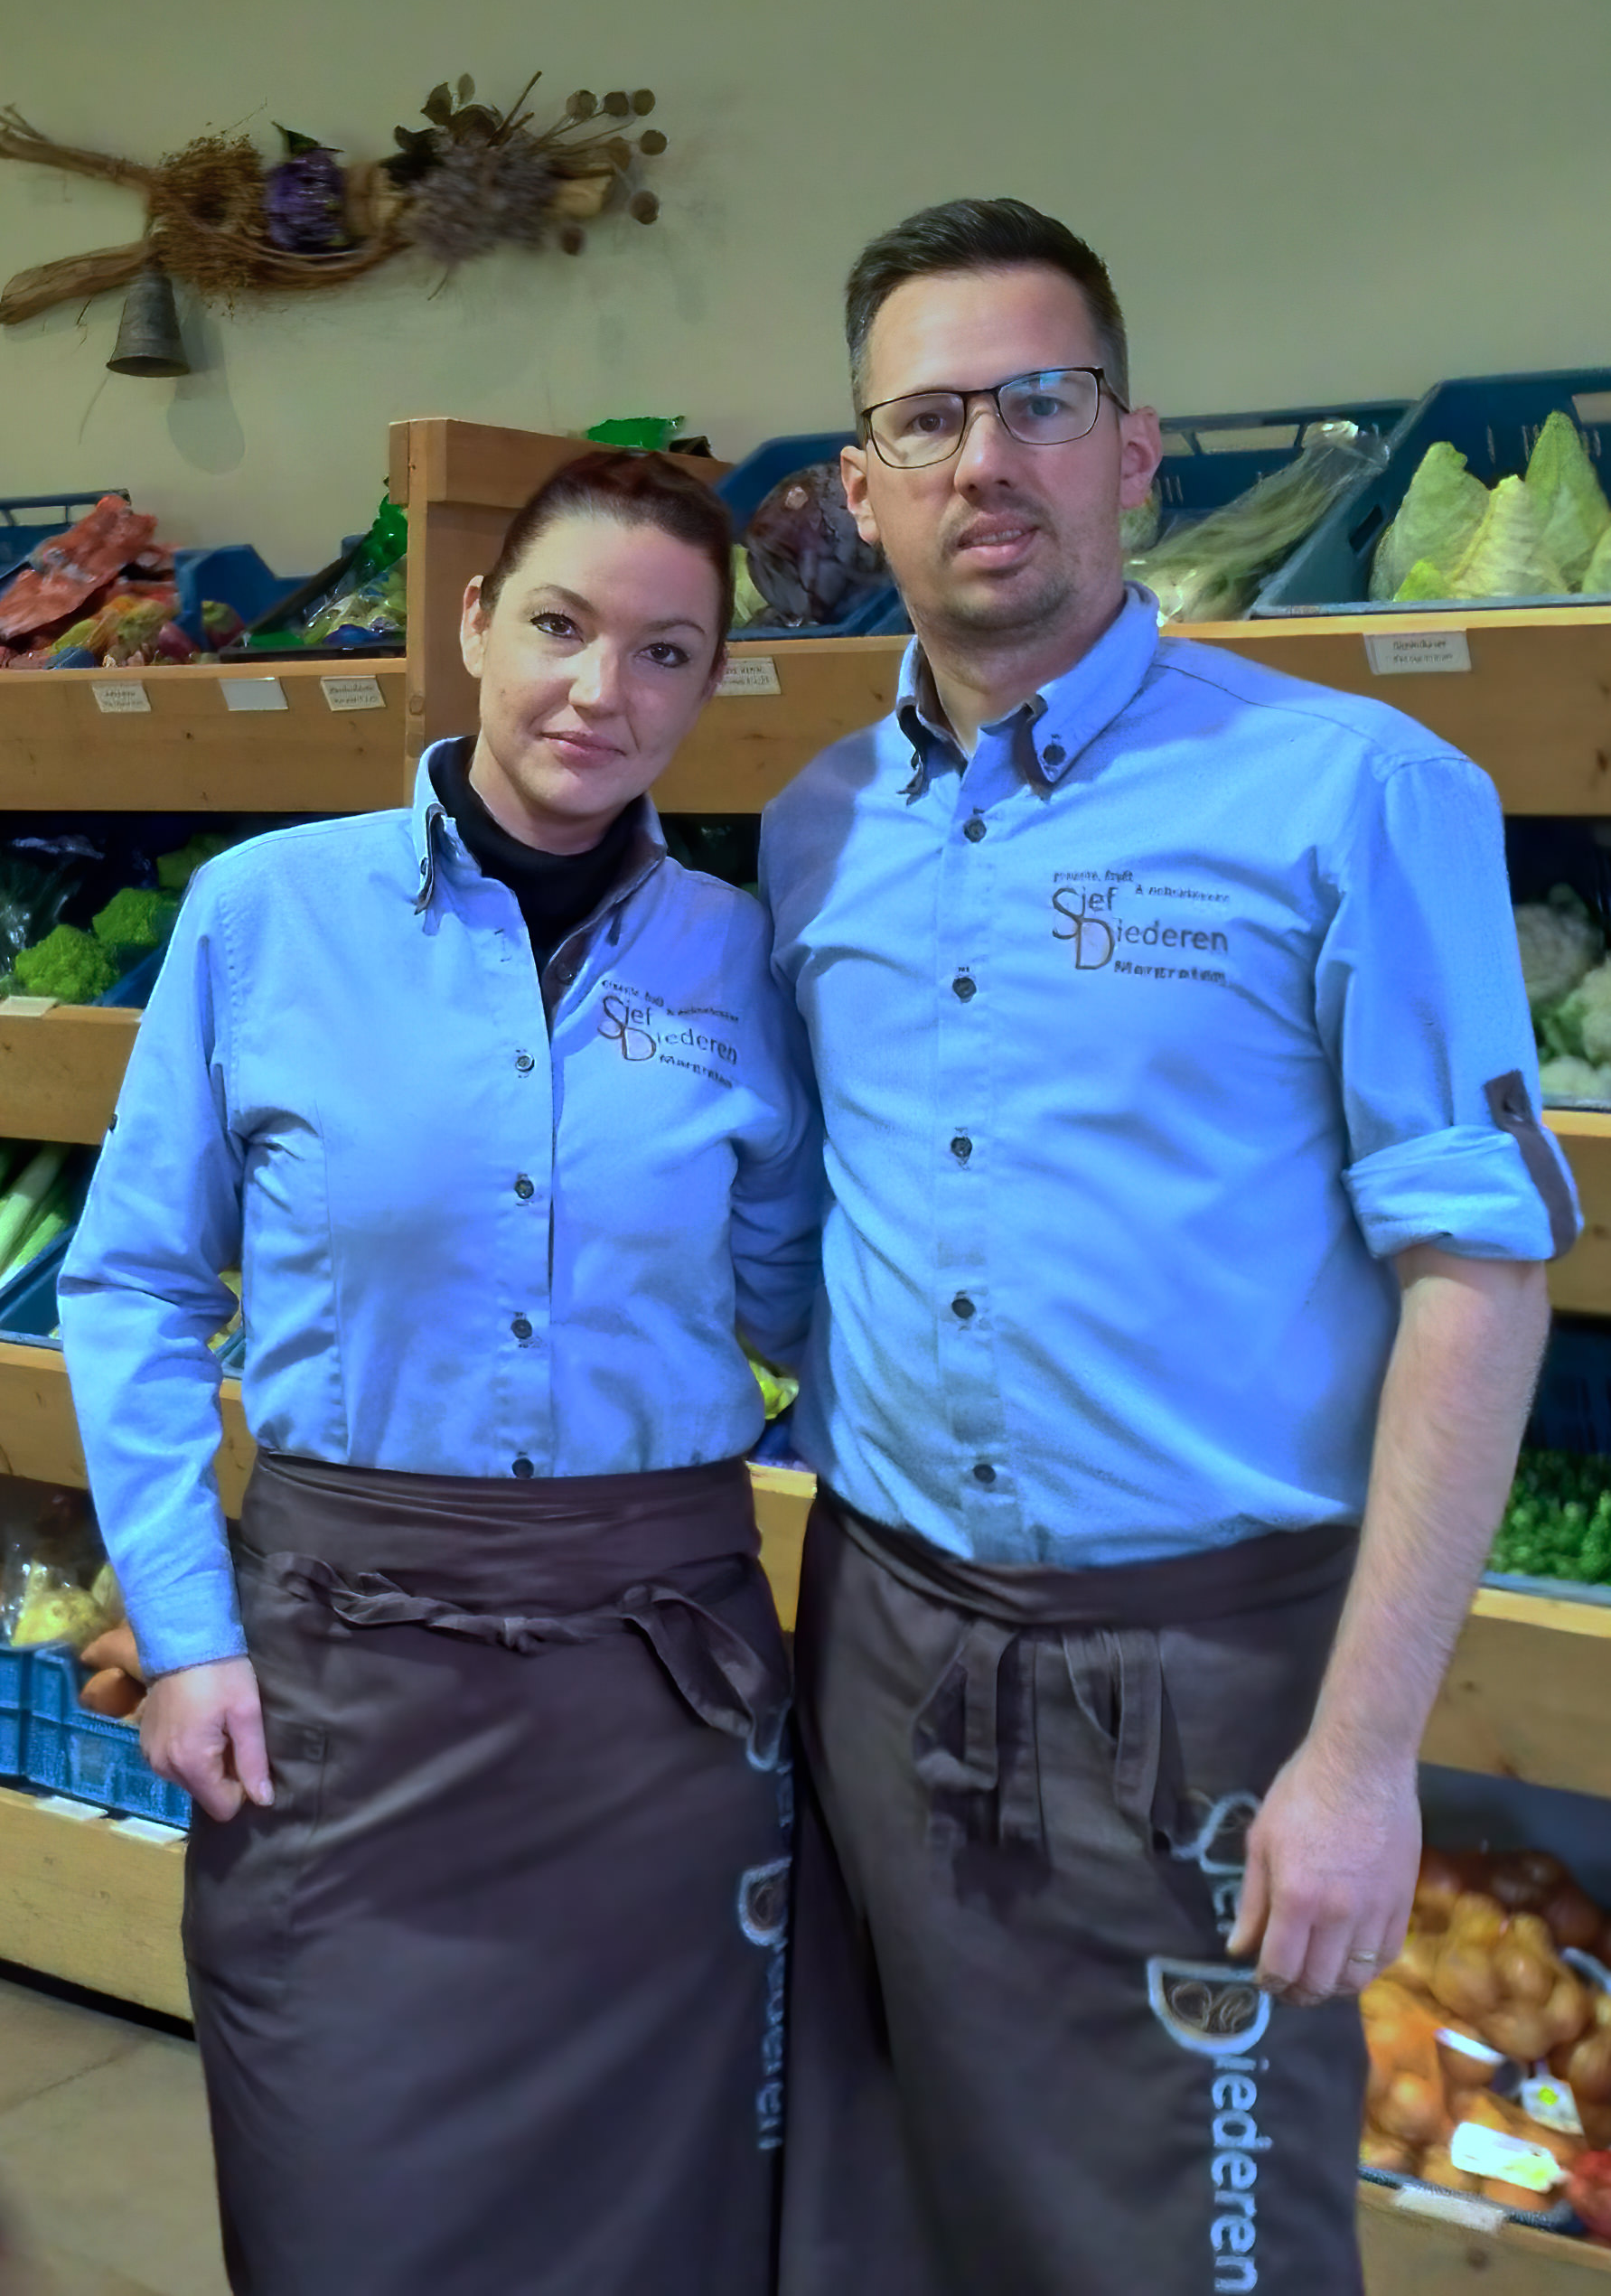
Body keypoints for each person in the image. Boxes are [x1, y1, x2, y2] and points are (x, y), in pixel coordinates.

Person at [760, 198, 1575, 2296]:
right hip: (881, 1631)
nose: (984, 459)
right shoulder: (813, 822)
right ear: (861, 488)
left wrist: (1366, 1758)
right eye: (927, 418)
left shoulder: (1357, 795)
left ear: (1135, 448)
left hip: (1204, 1679)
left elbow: (1477, 1277)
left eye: (1041, 401)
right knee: (882, 2194)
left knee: (1194, 2240)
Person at [59, 448, 820, 2296]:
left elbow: (809, 1300)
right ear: (474, 623)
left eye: (664, 653)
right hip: (341, 1689)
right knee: (346, 2213)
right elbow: (135, 1285)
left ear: (709, 683)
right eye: (560, 626)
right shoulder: (265, 916)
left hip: (659, 1712)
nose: (599, 693)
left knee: (661, 2230)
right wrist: (183, 1626)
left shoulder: (739, 959)